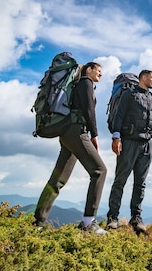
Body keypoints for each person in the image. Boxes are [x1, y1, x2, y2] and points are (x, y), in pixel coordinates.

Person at [34, 62, 108, 235]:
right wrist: (95, 135)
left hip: (67, 133)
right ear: (89, 70)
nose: (100, 74)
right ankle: (89, 222)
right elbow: (89, 110)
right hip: (76, 131)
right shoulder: (86, 83)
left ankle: (37, 222)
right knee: (99, 171)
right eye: (98, 70)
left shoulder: (76, 85)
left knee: (58, 179)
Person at [106, 69, 152, 233]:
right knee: (120, 180)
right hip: (129, 141)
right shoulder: (129, 94)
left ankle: (136, 218)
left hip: (147, 144)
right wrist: (116, 138)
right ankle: (113, 217)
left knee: (141, 183)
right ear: (143, 78)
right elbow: (119, 116)